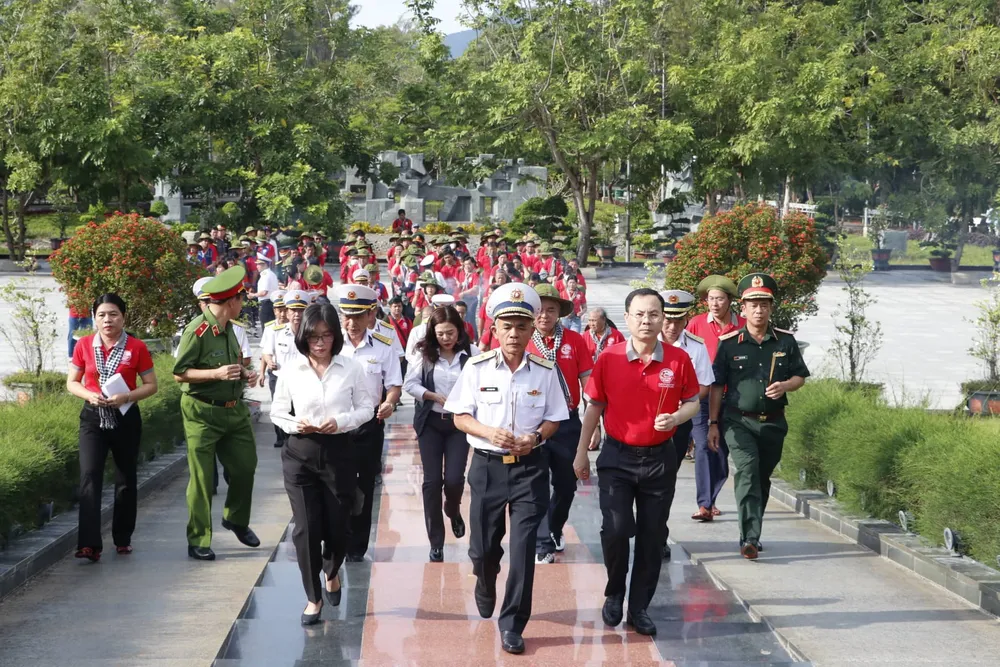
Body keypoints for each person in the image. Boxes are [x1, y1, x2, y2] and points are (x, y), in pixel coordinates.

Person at [444, 283, 568, 655]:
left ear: (533, 330)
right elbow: (460, 416)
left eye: (522, 327)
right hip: (487, 467)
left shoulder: (545, 371)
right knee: (483, 549)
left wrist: (536, 437)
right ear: (494, 329)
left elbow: (555, 419)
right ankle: (484, 580)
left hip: (530, 468)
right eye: (507, 326)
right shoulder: (476, 366)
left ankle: (513, 623)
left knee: (524, 546)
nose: (514, 334)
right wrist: (487, 431)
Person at [573, 288, 700, 637]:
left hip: (660, 459)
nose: (647, 321)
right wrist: (582, 451)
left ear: (664, 318)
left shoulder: (678, 360)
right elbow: (594, 408)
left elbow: (693, 403)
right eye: (640, 314)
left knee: (651, 535)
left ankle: (640, 606)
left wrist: (676, 418)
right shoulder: (609, 358)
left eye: (654, 314)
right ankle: (615, 592)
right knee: (615, 529)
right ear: (627, 318)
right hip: (617, 457)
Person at [271, 303, 375, 625]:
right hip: (300, 453)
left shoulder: (351, 368)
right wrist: (294, 424)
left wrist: (341, 421)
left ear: (335, 336)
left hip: (338, 453)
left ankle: (332, 571)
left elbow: (367, 407)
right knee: (305, 528)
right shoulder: (291, 368)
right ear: (304, 337)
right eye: (314, 336)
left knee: (336, 526)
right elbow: (277, 411)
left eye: (326, 336)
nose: (319, 343)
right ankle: (313, 597)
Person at [708, 273, 810, 560]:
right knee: (748, 471)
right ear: (743, 308)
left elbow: (800, 376)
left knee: (762, 479)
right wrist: (713, 424)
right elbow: (717, 385)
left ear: (771, 307)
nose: (759, 310)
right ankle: (749, 538)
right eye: (753, 304)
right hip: (738, 421)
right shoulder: (729, 343)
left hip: (774, 422)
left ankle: (751, 531)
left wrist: (786, 385)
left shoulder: (785, 342)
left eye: (764, 304)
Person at [173, 266, 261, 561]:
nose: (242, 304)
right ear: (230, 301)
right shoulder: (196, 331)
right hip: (202, 413)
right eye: (241, 299)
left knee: (246, 466)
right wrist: (216, 373)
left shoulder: (231, 330)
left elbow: (234, 364)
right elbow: (180, 374)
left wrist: (245, 373)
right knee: (201, 478)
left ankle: (235, 519)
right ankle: (198, 538)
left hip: (234, 411)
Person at [66, 294, 158, 561]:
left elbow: (151, 385)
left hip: (125, 417)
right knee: (89, 477)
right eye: (102, 315)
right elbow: (72, 382)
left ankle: (122, 537)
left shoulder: (137, 347)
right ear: (94, 318)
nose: (108, 320)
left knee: (125, 479)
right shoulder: (83, 345)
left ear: (123, 317)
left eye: (113, 314)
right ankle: (89, 544)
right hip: (93, 417)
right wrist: (88, 395)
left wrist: (126, 396)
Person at [403, 306, 478, 562]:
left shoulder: (471, 355)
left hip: (459, 424)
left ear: (459, 331)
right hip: (431, 423)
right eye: (441, 333)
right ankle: (436, 541)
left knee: (455, 479)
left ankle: (453, 509)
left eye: (451, 333)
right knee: (432, 482)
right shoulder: (423, 355)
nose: (447, 338)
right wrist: (432, 395)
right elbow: (409, 384)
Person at [526, 284, 592, 565]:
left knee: (567, 484)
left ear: (559, 314)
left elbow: (588, 382)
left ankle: (553, 527)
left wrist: (595, 422)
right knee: (536, 483)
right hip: (533, 424)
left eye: (551, 310)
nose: (544, 315)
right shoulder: (523, 338)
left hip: (567, 422)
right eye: (539, 310)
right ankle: (542, 543)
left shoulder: (575, 341)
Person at [336, 284, 402, 561]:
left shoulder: (384, 346)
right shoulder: (330, 342)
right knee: (337, 485)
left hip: (369, 423)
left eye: (358, 316)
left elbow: (394, 384)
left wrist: (389, 402)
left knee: (364, 486)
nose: (351, 323)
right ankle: (337, 538)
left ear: (371, 314)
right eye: (346, 316)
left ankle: (357, 546)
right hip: (336, 424)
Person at [658, 290, 715, 558]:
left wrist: (683, 410)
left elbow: (705, 385)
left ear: (685, 320)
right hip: (647, 421)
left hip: (679, 422)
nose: (671, 327)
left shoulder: (696, 346)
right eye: (667, 320)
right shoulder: (642, 342)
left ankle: (659, 533)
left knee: (667, 477)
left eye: (677, 321)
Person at [687, 275, 745, 519]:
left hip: (731, 398)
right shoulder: (696, 324)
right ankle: (704, 503)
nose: (714, 304)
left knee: (720, 451)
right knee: (702, 446)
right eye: (710, 299)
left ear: (729, 300)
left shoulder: (743, 325)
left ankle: (711, 497)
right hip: (702, 395)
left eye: (719, 299)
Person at [261, 290, 309, 447]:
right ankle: (283, 439)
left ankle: (297, 442)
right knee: (281, 411)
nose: (297, 314)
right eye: (293, 310)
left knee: (299, 412)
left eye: (301, 310)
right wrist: (268, 362)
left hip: (303, 381)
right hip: (280, 379)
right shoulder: (276, 332)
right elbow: (267, 352)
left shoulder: (311, 333)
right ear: (287, 313)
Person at [582, 307, 625, 451]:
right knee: (591, 410)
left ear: (603, 320)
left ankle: (611, 438)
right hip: (591, 381)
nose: (592, 323)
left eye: (594, 320)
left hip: (611, 382)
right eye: (590, 320)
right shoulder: (585, 336)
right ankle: (595, 436)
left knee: (609, 412)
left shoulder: (616, 336)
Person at [252, 253, 279, 327]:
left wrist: (253, 295)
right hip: (270, 303)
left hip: (266, 304)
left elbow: (264, 292)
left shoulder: (266, 275)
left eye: (259, 264)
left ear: (265, 264)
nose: (257, 266)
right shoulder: (271, 274)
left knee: (266, 326)